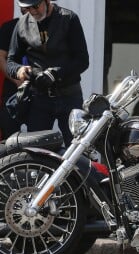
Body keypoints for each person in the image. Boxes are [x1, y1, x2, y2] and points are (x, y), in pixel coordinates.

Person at [6, 0, 89, 146]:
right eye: (27, 8)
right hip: (39, 98)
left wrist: (56, 73)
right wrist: (19, 70)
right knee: (35, 150)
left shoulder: (68, 18)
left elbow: (82, 61)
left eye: (36, 6)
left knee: (77, 147)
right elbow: (11, 61)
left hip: (69, 95)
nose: (32, 11)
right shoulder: (21, 24)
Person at [0, 9, 27, 139]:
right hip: (13, 91)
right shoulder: (9, 27)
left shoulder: (51, 27)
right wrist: (16, 80)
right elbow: (1, 58)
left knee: (40, 138)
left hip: (41, 94)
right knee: (9, 135)